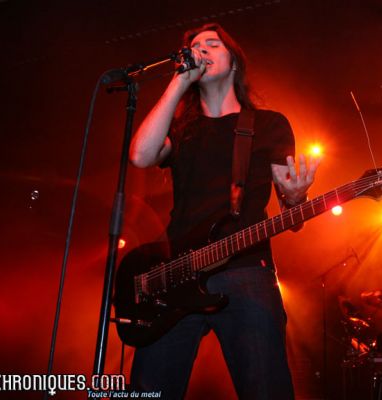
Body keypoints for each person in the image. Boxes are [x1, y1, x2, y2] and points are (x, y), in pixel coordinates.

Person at [128, 23, 320, 399]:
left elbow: (291, 209)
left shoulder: (268, 125)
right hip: (175, 275)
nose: (201, 50)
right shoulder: (182, 130)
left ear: (234, 61)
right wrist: (179, 82)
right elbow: (140, 155)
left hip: (245, 270)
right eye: (195, 46)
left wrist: (296, 197)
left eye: (212, 44)